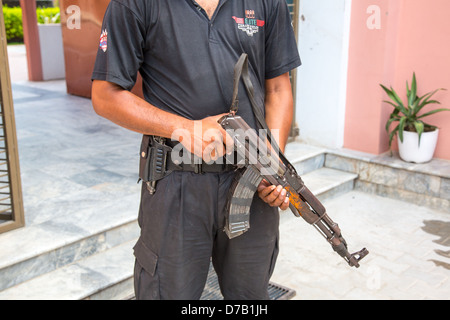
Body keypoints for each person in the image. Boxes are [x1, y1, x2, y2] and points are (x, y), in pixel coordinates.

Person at [91, 0, 301, 300]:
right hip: (176, 185)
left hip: (250, 184)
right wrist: (185, 129)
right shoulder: (134, 4)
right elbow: (105, 96)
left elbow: (279, 89)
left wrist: (270, 164)